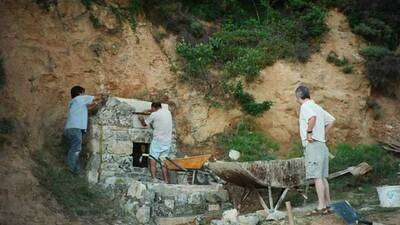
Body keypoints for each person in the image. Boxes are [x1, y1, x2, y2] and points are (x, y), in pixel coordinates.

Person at [295, 85, 335, 215]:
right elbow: (332, 121)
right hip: (322, 145)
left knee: (317, 177)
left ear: (298, 96)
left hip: (313, 145)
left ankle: (321, 206)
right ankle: (328, 205)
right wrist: (322, 134)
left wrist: (309, 132)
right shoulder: (317, 107)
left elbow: (312, 118)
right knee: (323, 177)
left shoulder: (305, 107)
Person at [64, 86, 104, 174]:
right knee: (76, 149)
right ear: (80, 93)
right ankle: (70, 169)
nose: (84, 95)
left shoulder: (74, 102)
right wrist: (103, 95)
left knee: (75, 149)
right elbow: (95, 97)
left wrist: (97, 103)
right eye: (84, 93)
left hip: (69, 129)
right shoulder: (80, 98)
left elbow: (88, 108)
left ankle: (75, 170)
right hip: (75, 128)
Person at [138, 102, 173, 183]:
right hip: (167, 142)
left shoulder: (154, 115)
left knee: (152, 159)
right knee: (163, 161)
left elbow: (144, 124)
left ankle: (154, 179)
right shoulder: (168, 112)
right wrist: (151, 110)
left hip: (158, 141)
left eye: (152, 108)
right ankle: (166, 181)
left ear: (153, 108)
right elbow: (157, 112)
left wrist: (141, 118)